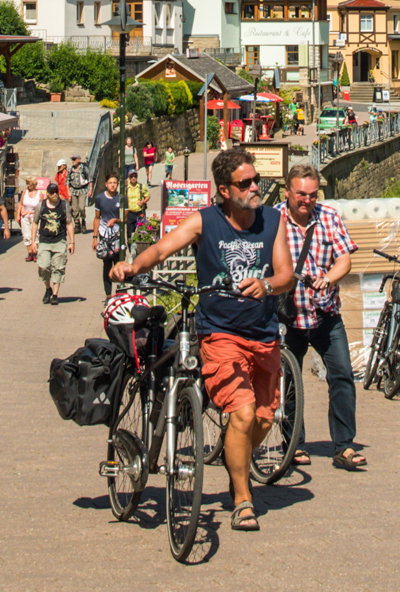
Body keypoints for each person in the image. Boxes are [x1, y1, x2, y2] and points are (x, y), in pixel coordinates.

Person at [114, 145, 295, 534]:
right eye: (245, 183)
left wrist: (266, 284)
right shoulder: (204, 222)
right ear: (225, 191)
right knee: (242, 414)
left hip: (263, 335)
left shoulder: (273, 221)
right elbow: (161, 249)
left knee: (263, 420)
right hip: (220, 333)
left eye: (255, 180)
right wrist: (132, 266)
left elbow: (286, 275)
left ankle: (237, 468)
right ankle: (243, 499)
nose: (254, 187)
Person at [280, 163, 365, 470]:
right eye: (301, 194)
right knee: (288, 381)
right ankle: (293, 444)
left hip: (325, 312)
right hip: (289, 316)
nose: (307, 200)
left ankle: (344, 446)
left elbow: (344, 260)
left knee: (342, 375)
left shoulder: (328, 217)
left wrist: (328, 278)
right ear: (287, 191)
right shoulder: (273, 218)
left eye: (313, 195)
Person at [34, 177, 75, 303]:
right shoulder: (41, 206)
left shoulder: (64, 205)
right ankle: (48, 289)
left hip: (59, 240)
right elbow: (35, 223)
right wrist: (32, 242)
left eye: (56, 192)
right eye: (52, 193)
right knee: (44, 266)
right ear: (47, 194)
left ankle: (55, 295)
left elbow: (69, 223)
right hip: (44, 240)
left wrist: (72, 242)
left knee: (58, 267)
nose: (55, 194)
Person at [92, 175, 124, 297]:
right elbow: (97, 218)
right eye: (110, 182)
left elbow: (124, 219)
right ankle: (108, 295)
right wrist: (95, 238)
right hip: (104, 236)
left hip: (117, 235)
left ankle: (120, 292)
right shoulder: (100, 198)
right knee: (106, 265)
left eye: (115, 183)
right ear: (106, 184)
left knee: (119, 264)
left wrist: (116, 220)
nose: (112, 185)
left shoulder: (122, 198)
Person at [19, 178, 41, 263]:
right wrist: (18, 215)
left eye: (30, 184)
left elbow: (41, 206)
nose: (28, 186)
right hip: (25, 215)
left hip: (35, 216)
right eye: (27, 184)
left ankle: (35, 252)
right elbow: (21, 204)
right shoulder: (25, 192)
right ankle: (30, 253)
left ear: (34, 185)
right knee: (26, 235)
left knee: (35, 234)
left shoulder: (39, 193)